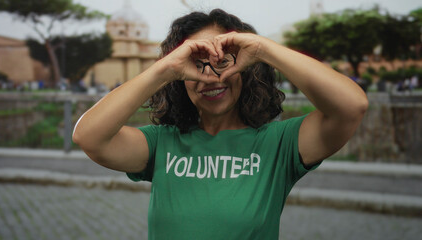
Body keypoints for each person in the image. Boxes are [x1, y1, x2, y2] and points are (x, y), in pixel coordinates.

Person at [73, 9, 368, 240]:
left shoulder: (279, 143)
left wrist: (262, 48)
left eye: (222, 61)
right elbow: (89, 137)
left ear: (245, 67)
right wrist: (164, 69)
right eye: (195, 63)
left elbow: (351, 106)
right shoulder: (161, 143)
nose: (210, 75)